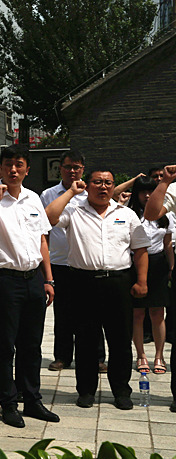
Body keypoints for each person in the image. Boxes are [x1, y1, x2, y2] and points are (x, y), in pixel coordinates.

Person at [45, 170, 150, 410]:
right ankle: (86, 391)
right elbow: (49, 217)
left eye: (108, 183)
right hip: (83, 282)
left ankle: (121, 390)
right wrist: (72, 192)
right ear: (88, 185)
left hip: (118, 282)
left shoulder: (126, 214)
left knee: (120, 339)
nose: (103, 187)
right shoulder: (74, 210)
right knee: (85, 339)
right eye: (98, 182)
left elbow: (140, 249)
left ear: (114, 187)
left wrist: (142, 281)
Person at [0, 145, 59, 428]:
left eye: (19, 164)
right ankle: (8, 403)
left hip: (33, 279)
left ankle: (32, 400)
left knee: (31, 345)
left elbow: (42, 240)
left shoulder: (33, 198)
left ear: (27, 169)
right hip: (3, 280)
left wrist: (48, 279)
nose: (13, 170)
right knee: (4, 345)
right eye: (8, 164)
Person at [39, 151, 107, 373]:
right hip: (60, 263)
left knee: (93, 312)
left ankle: (97, 357)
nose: (72, 171)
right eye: (68, 167)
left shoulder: (91, 192)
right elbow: (44, 230)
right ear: (60, 168)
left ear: (82, 169)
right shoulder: (48, 194)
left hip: (87, 263)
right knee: (63, 313)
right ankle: (62, 356)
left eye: (77, 167)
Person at [128, 176, 173, 375]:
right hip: (134, 264)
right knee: (137, 314)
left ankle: (159, 356)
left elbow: (167, 244)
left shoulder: (166, 215)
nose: (147, 196)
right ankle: (140, 355)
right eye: (143, 192)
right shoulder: (129, 214)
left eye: (150, 192)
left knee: (157, 313)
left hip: (158, 264)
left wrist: (171, 267)